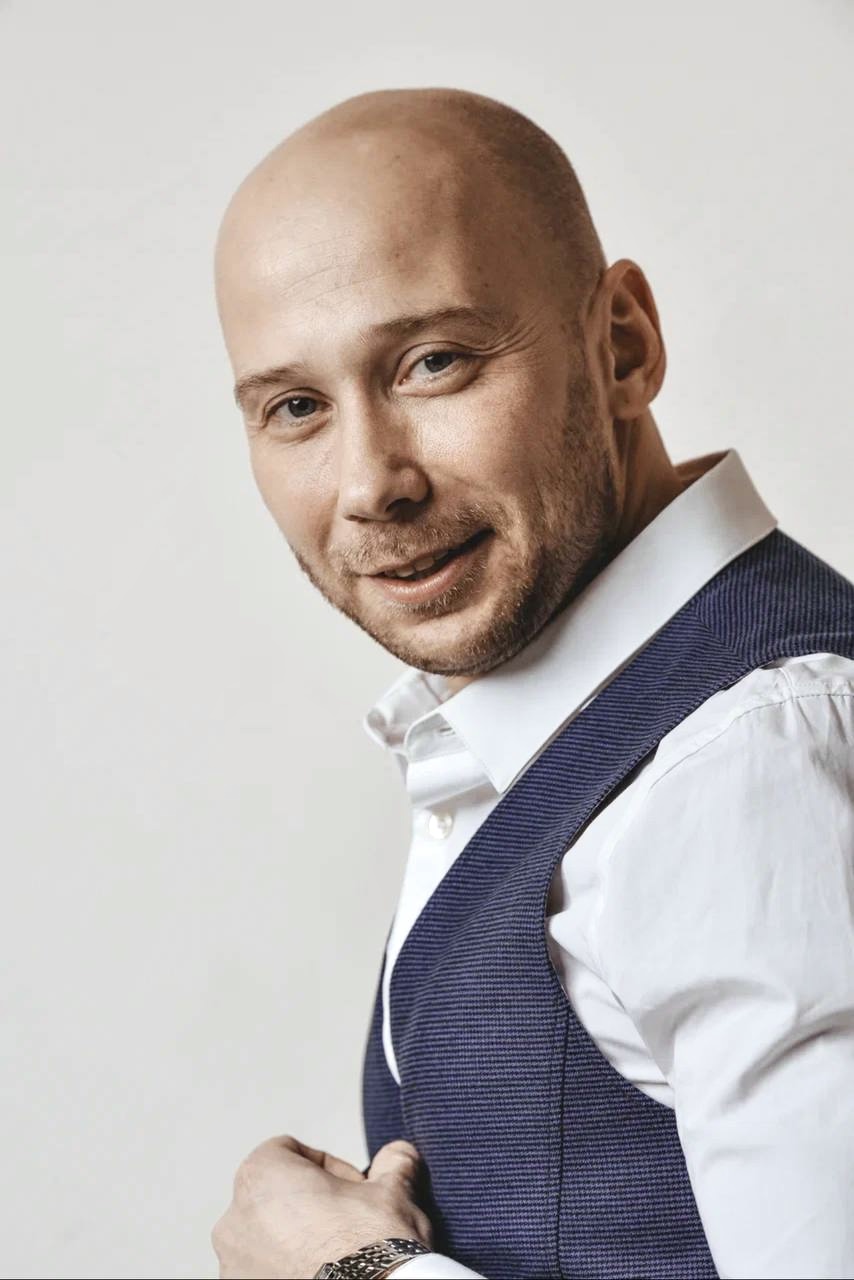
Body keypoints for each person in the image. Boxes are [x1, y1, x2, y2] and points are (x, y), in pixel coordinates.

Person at [209, 87, 854, 1280]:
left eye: (434, 362)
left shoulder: (746, 761)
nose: (369, 482)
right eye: (295, 407)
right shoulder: (566, 718)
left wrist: (351, 1270)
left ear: (621, 346)